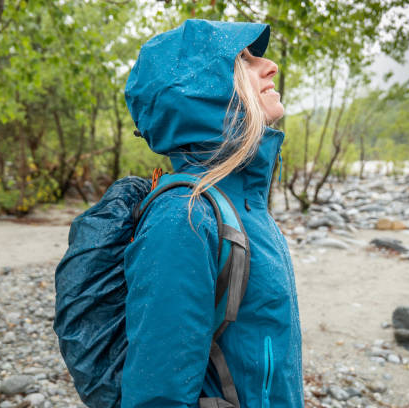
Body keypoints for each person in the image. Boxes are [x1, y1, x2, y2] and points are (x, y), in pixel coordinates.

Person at [122, 19, 304, 408]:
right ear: (201, 93)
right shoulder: (184, 219)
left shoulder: (243, 199)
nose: (269, 65)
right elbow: (158, 397)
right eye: (244, 59)